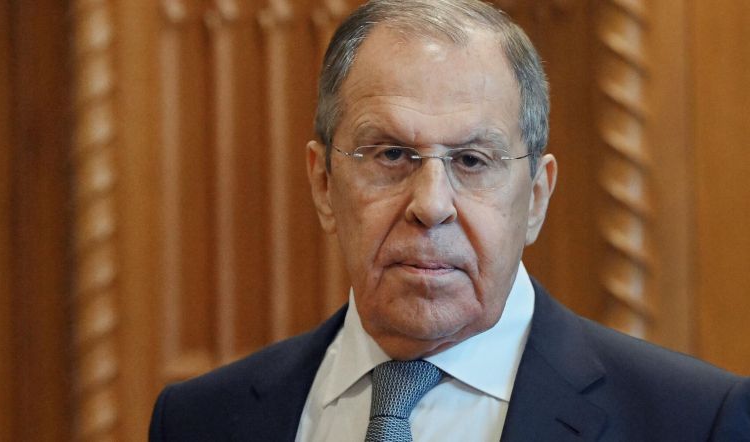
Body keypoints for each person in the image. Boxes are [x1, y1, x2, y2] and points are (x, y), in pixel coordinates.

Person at [149, 1, 750, 440]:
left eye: (471, 160)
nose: (432, 204)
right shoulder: (201, 421)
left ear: (536, 197)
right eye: (390, 155)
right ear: (324, 184)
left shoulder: (693, 421)